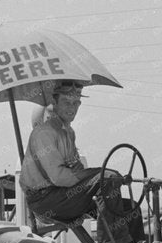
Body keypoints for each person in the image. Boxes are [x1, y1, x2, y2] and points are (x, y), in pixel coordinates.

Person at [21, 80, 121, 223]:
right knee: (109, 177)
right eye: (67, 102)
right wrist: (89, 175)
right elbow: (59, 177)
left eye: (76, 103)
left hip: (62, 194)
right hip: (45, 200)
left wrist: (79, 170)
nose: (72, 108)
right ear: (54, 105)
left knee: (126, 206)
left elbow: (75, 166)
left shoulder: (69, 133)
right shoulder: (44, 133)